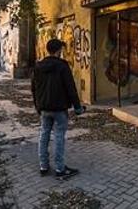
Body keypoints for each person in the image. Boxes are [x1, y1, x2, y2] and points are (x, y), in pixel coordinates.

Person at [31, 38, 85, 179]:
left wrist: (38, 106)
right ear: (58, 50)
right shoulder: (62, 65)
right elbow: (70, 88)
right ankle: (60, 169)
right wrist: (78, 107)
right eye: (61, 49)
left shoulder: (38, 66)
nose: (62, 52)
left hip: (44, 108)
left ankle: (43, 166)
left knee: (44, 135)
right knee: (59, 137)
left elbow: (34, 89)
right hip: (60, 109)